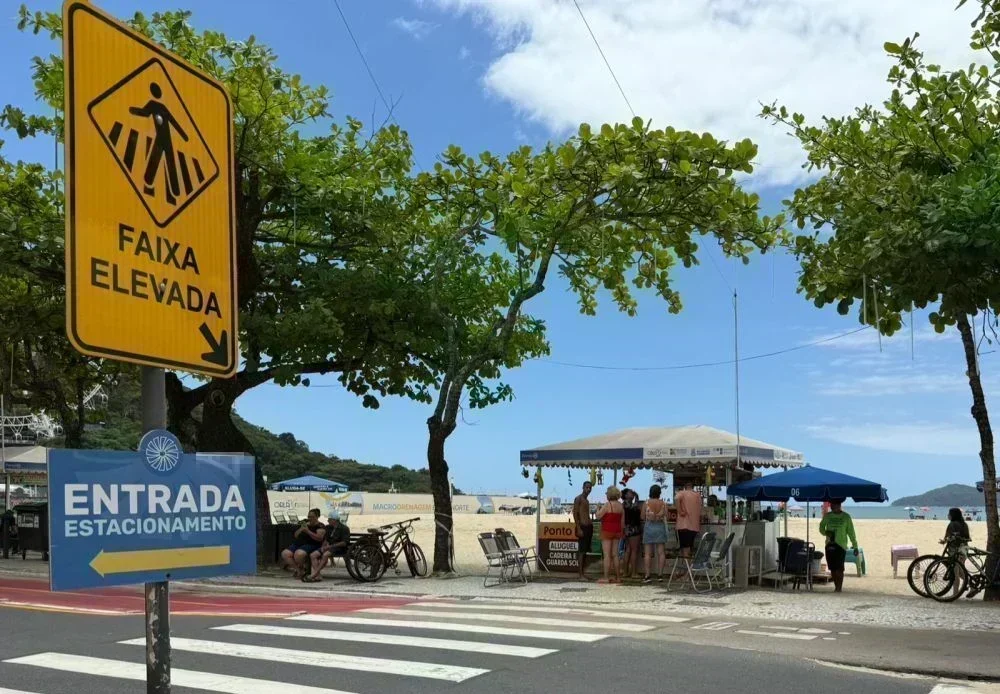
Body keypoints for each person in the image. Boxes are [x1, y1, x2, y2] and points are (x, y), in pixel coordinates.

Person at [818, 499, 858, 593]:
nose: (831, 506)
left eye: (834, 504)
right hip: (829, 544)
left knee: (839, 568)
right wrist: (825, 532)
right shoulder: (828, 516)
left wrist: (855, 546)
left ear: (839, 505)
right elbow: (821, 527)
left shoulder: (846, 517)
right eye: (831, 504)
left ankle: (839, 587)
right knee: (832, 567)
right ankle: (836, 586)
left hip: (841, 545)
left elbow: (851, 532)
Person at [304, 510, 351, 583]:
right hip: (329, 547)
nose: (328, 520)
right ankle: (318, 575)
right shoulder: (328, 527)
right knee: (313, 555)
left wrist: (330, 546)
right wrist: (323, 546)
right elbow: (326, 539)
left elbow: (344, 543)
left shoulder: (344, 528)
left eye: (329, 519)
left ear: (334, 520)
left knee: (325, 555)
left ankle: (314, 574)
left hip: (339, 548)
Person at [280, 508, 325, 579]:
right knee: (285, 554)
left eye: (312, 517)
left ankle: (302, 568)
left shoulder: (320, 526)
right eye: (309, 516)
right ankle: (299, 570)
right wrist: (301, 528)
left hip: (312, 544)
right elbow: (296, 535)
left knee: (298, 554)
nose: (310, 518)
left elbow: (319, 538)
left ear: (317, 516)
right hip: (298, 544)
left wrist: (308, 531)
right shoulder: (305, 523)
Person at [596, 486, 624, 583]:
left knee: (607, 555)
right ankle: (618, 577)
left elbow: (598, 516)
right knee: (615, 555)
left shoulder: (607, 505)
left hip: (607, 531)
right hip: (617, 531)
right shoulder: (620, 506)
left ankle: (606, 577)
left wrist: (597, 508)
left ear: (609, 494)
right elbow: (622, 522)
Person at [642, 484, 668, 583]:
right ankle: (660, 575)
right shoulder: (663, 504)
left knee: (647, 553)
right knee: (661, 553)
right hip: (660, 527)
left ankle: (647, 576)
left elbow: (642, 516)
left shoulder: (646, 503)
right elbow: (667, 516)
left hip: (649, 528)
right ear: (659, 492)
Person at [675, 481, 702, 561]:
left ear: (685, 487)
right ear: (692, 487)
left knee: (685, 549)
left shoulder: (682, 493)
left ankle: (687, 571)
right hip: (695, 526)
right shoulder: (697, 495)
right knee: (689, 547)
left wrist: (680, 511)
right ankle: (687, 570)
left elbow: (676, 498)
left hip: (684, 525)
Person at [573, 481, 594, 580]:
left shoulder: (587, 500)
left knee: (585, 551)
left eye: (590, 488)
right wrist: (578, 527)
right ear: (583, 487)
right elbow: (575, 514)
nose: (588, 489)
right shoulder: (578, 499)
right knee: (581, 551)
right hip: (582, 527)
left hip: (588, 527)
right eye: (587, 487)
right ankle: (580, 574)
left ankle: (583, 573)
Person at [621, 488, 642, 579]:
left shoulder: (623, 505)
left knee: (628, 550)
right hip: (634, 529)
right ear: (625, 495)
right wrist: (636, 496)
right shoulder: (628, 505)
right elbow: (636, 508)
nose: (632, 493)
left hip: (627, 529)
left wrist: (636, 496)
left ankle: (625, 571)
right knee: (634, 551)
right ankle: (634, 572)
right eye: (630, 492)